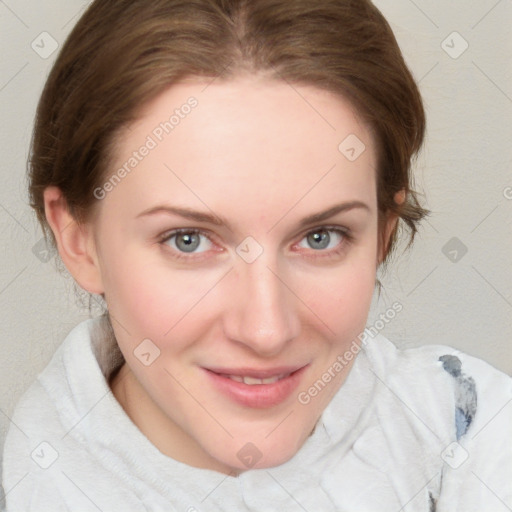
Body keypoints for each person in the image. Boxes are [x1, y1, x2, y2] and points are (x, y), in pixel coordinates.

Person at [2, 0, 511, 510]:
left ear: (382, 233)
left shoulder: (477, 434)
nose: (266, 331)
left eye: (320, 237)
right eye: (188, 240)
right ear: (78, 240)